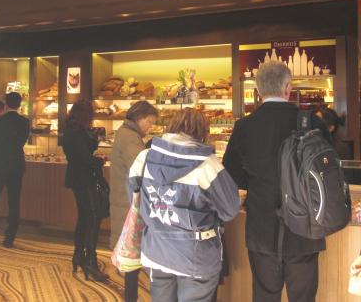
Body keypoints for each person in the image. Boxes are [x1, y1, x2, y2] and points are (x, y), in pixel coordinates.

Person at [223, 61, 328, 302]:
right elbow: (328, 171)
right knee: (303, 297)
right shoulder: (312, 122)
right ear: (288, 87)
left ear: (258, 90)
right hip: (306, 229)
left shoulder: (245, 126)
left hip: (262, 228)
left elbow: (232, 175)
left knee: (265, 295)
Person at [128, 108, 240, 302]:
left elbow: (134, 199)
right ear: (202, 131)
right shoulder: (208, 165)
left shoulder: (144, 158)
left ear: (172, 126)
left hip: (156, 249)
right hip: (195, 255)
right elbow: (230, 210)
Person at [110, 100, 158, 302]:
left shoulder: (126, 133)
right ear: (139, 118)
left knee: (132, 260)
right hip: (129, 203)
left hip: (124, 200)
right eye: (149, 122)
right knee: (133, 257)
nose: (151, 127)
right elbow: (142, 169)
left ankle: (131, 296)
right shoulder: (131, 138)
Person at [62, 100, 108, 282]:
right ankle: (90, 260)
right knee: (93, 218)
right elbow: (85, 159)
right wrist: (100, 160)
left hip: (77, 178)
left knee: (84, 217)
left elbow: (81, 155)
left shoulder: (72, 130)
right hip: (84, 179)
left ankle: (79, 254)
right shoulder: (77, 133)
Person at [0, 91, 30, 248]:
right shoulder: (24, 122)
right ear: (19, 105)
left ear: (5, 104)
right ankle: (9, 238)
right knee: (14, 202)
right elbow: (21, 142)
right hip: (16, 165)